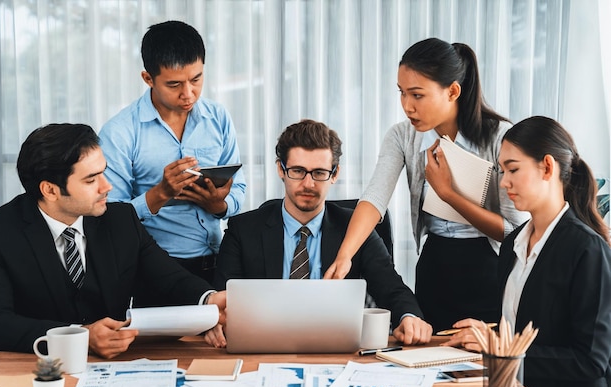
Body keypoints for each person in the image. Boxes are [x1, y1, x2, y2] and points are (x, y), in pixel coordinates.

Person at [323, 38, 529, 332]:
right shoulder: (402, 136)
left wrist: (447, 193)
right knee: (429, 358)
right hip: (435, 265)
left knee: (481, 366)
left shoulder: (500, 137)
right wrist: (345, 255)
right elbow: (374, 198)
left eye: (417, 95)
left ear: (453, 91)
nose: (407, 106)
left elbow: (515, 232)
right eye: (402, 93)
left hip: (488, 267)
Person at [0, 123, 227, 359]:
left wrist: (209, 299)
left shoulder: (120, 219)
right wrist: (80, 336)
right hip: (36, 368)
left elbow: (170, 279)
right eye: (91, 180)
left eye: (103, 172)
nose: (106, 186)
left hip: (115, 366)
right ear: (50, 190)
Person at [211, 119, 433, 348]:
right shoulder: (242, 230)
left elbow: (392, 289)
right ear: (281, 169)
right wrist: (215, 320)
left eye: (319, 173)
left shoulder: (356, 229)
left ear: (335, 174)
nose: (308, 184)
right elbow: (222, 298)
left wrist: (410, 317)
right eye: (297, 171)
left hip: (337, 353)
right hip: (262, 349)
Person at [443, 116, 611, 387]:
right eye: (502, 170)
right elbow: (523, 328)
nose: (504, 181)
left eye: (513, 169)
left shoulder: (587, 250)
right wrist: (488, 334)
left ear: (547, 167)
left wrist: (500, 350)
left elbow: (590, 360)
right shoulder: (512, 245)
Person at [99, 20, 246, 285]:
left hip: (217, 261)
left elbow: (239, 188)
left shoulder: (218, 117)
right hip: (153, 270)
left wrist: (219, 205)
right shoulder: (119, 131)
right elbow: (109, 217)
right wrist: (160, 194)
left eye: (196, 79)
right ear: (148, 79)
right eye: (174, 84)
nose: (188, 94)